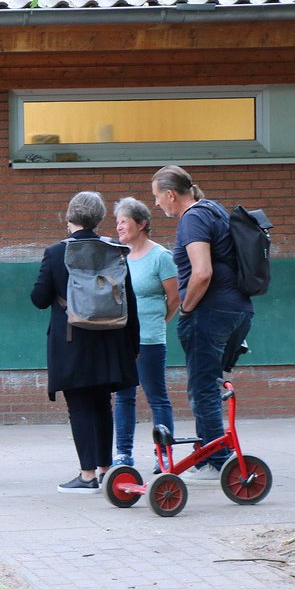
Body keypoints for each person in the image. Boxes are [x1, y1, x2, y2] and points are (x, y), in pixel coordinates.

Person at [30, 191, 140, 493]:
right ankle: (106, 470)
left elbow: (39, 299)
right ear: (99, 218)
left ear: (69, 217)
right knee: (103, 403)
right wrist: (133, 345)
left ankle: (87, 474)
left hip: (72, 341)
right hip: (110, 339)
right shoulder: (115, 249)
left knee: (78, 406)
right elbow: (129, 300)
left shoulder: (55, 253)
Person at [151, 165, 254, 478]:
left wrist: (186, 308)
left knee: (203, 388)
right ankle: (211, 451)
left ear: (171, 194)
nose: (156, 203)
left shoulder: (193, 217)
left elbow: (202, 271)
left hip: (210, 313)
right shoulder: (214, 210)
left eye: (157, 196)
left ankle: (218, 460)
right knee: (208, 385)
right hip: (239, 311)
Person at [112, 197, 179, 472]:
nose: (119, 227)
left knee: (156, 397)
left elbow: (174, 298)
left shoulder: (161, 257)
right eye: (117, 222)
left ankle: (163, 456)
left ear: (141, 224)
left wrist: (157, 323)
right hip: (121, 339)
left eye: (124, 221)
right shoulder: (117, 256)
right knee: (123, 397)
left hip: (150, 339)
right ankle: (124, 455)